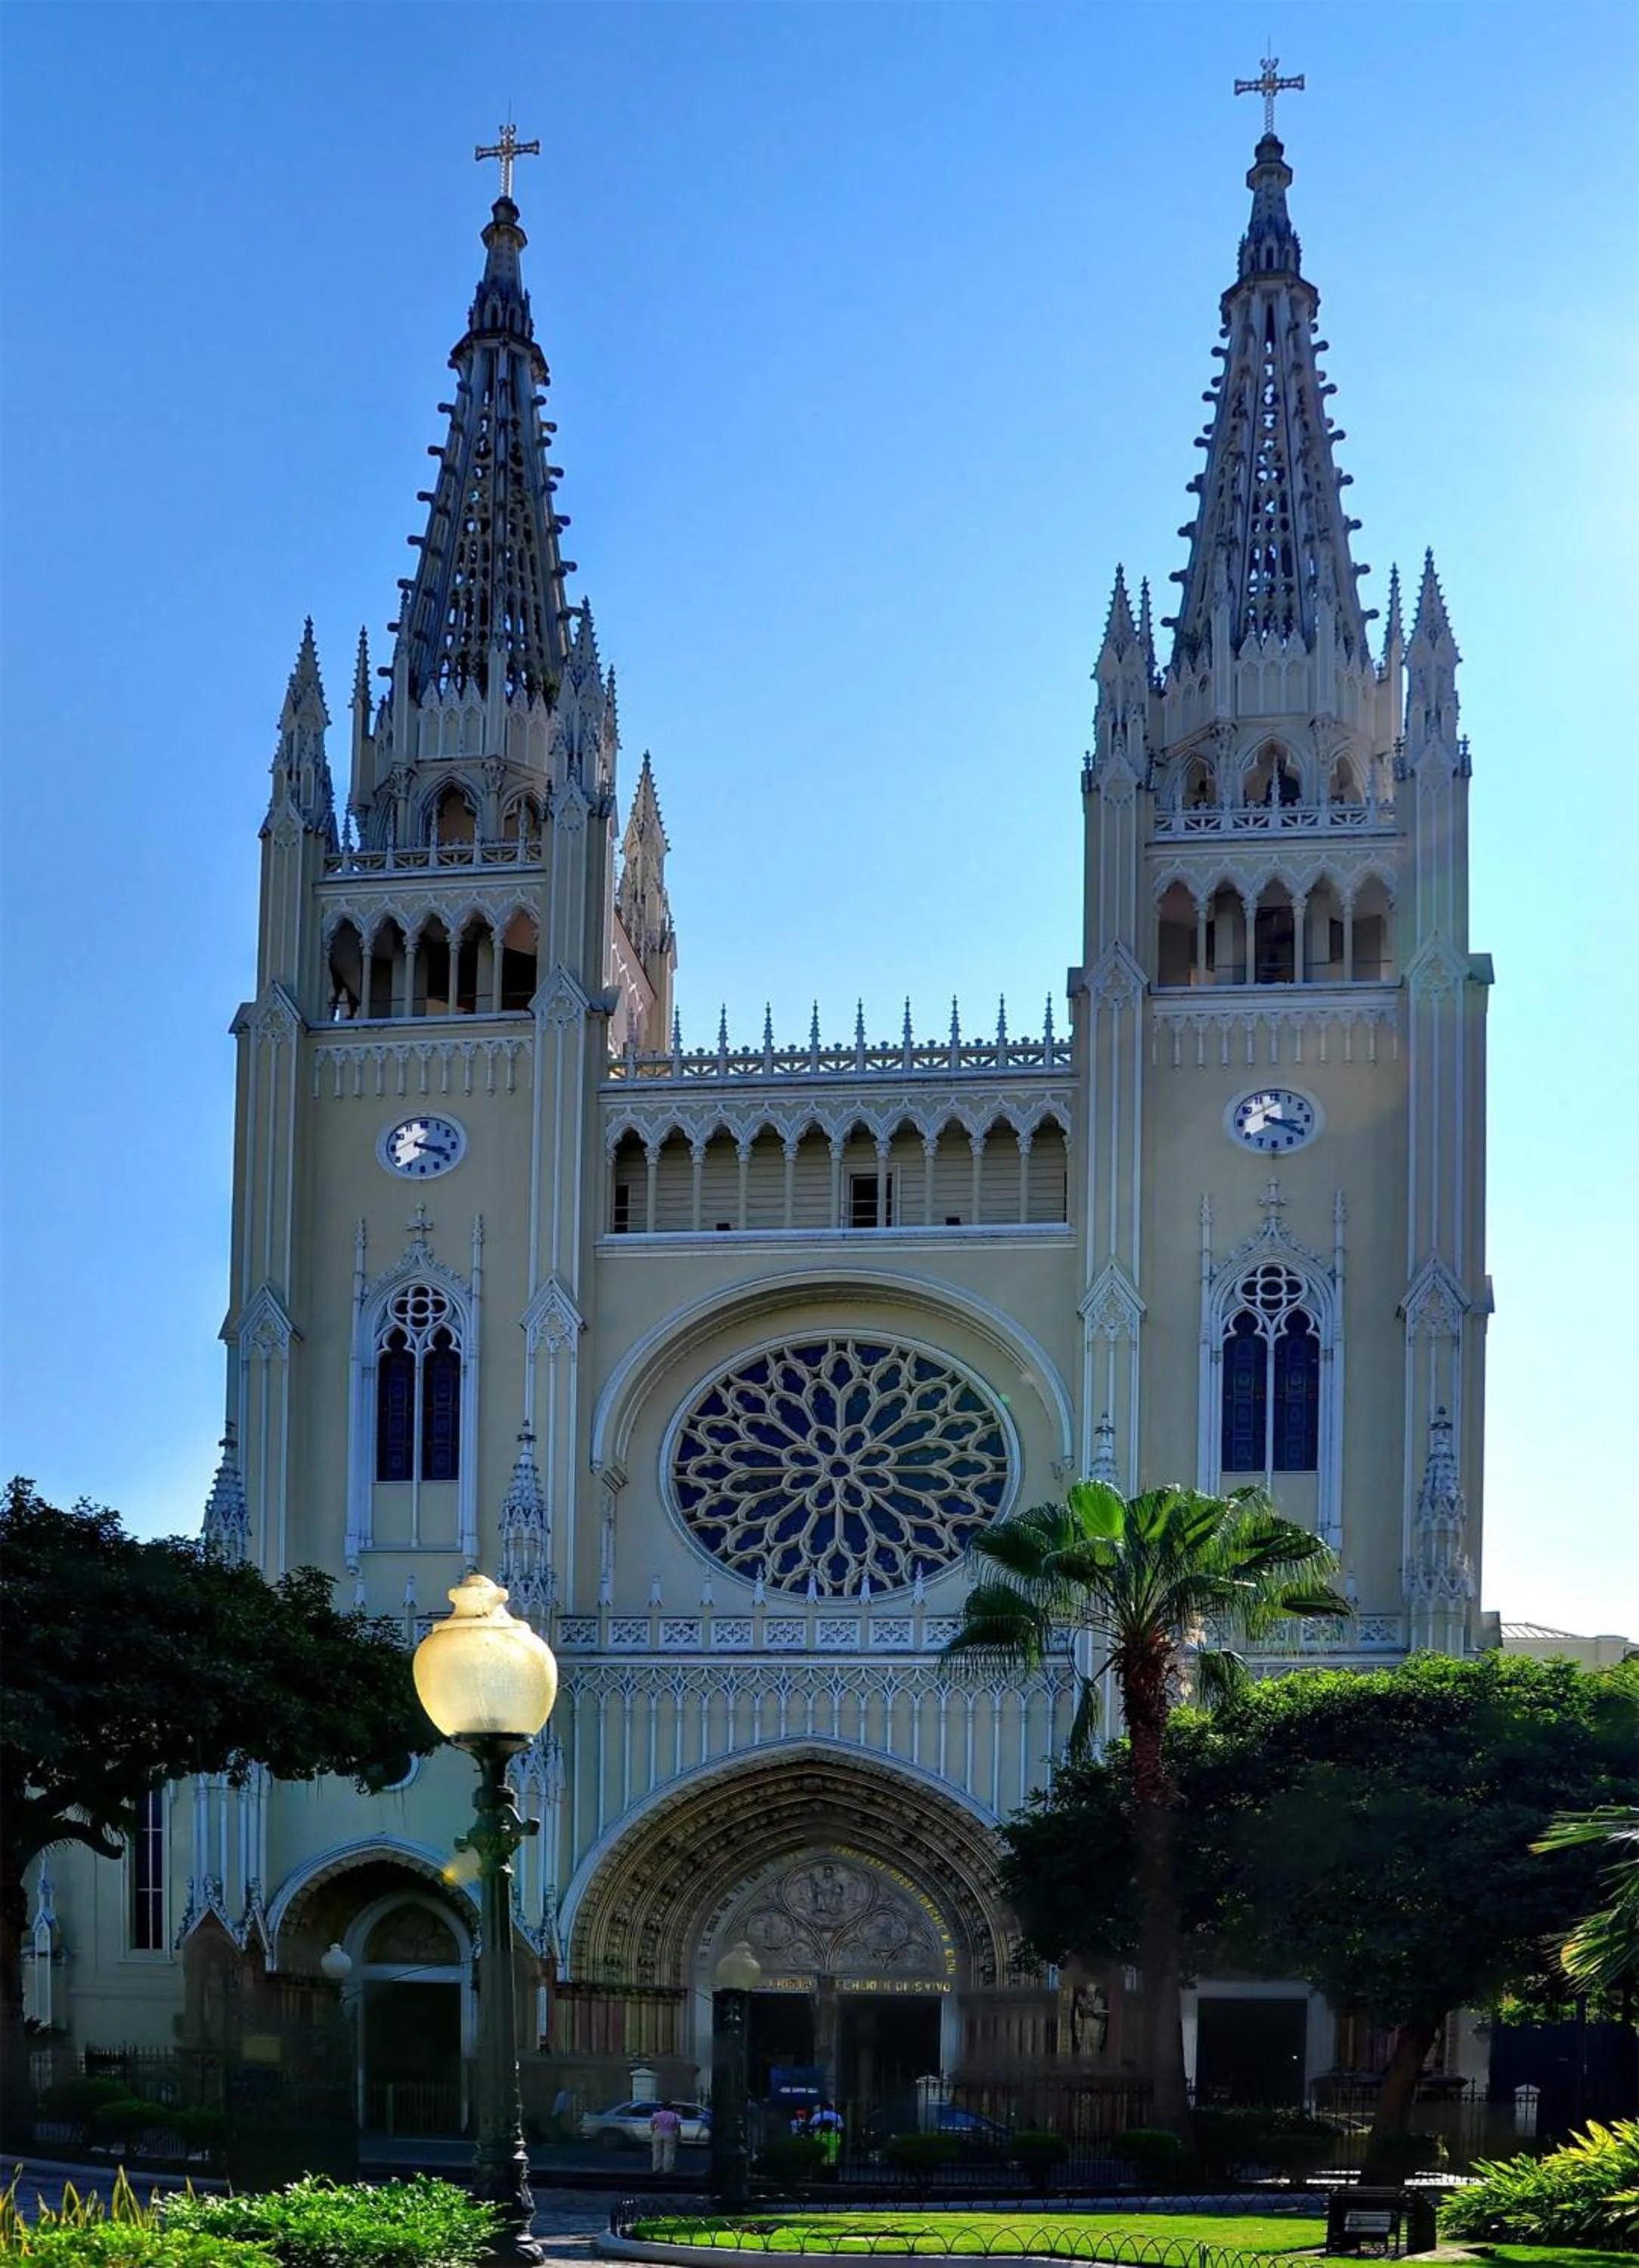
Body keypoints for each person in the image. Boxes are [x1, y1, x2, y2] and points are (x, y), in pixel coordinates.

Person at [811, 2099, 844, 2174]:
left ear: (823, 2108)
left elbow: (812, 2125)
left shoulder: (817, 2116)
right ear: (832, 2108)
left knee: (822, 2153)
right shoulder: (837, 2116)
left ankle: (822, 2167)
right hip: (833, 2135)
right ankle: (831, 2168)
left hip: (820, 2135)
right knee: (832, 2153)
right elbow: (841, 2127)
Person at [650, 2099, 683, 2174]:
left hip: (658, 2132)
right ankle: (668, 2170)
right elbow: (677, 2127)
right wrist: (678, 2137)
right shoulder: (675, 2116)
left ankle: (656, 2168)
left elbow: (652, 2124)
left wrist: (653, 2132)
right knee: (669, 2153)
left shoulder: (656, 2115)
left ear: (662, 2107)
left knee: (657, 2152)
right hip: (670, 2133)